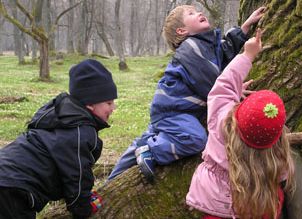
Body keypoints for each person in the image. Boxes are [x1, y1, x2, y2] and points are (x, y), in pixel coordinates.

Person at [108, 5, 267, 181]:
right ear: (182, 30)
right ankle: (150, 150)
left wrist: (245, 27)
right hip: (173, 111)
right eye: (191, 13)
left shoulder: (205, 43)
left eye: (197, 10)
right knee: (195, 139)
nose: (199, 12)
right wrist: (234, 89)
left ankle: (112, 179)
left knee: (140, 146)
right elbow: (210, 83)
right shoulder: (191, 49)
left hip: (178, 111)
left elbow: (225, 50)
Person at [186, 30, 295, 219]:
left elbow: (223, 88)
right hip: (260, 208)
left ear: (238, 111)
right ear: (279, 138)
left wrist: (248, 55)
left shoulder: (222, 121)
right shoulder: (277, 158)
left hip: (215, 206)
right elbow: (284, 174)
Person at [0, 59, 117, 218]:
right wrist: (83, 208)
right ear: (90, 103)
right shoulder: (80, 133)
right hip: (14, 190)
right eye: (109, 103)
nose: (113, 108)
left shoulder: (59, 115)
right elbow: (77, 175)